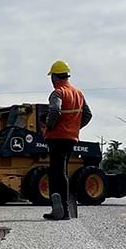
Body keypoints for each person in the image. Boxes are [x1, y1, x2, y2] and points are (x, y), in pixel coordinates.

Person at [43, 60, 92, 220]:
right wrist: (74, 127)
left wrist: (50, 125)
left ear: (55, 77)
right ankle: (66, 210)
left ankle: (61, 210)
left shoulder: (58, 92)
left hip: (56, 138)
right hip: (71, 138)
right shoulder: (78, 93)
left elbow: (55, 110)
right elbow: (87, 115)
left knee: (56, 172)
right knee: (61, 170)